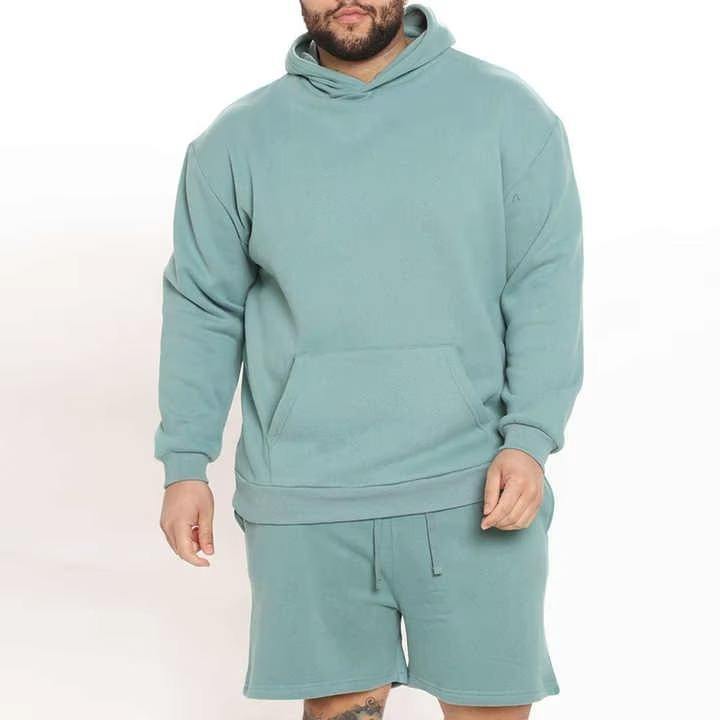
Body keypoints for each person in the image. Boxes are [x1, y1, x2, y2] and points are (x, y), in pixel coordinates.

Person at [155, 2, 583, 718]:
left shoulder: (508, 115)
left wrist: (530, 438)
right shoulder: (234, 143)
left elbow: (545, 286)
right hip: (306, 498)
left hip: (473, 487)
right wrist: (185, 464)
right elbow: (203, 307)